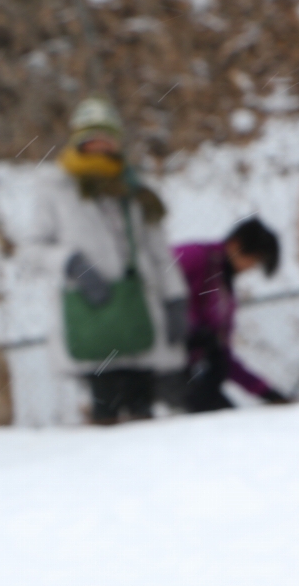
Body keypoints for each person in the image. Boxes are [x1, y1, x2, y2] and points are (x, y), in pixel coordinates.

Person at [32, 96, 187, 424]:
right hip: (93, 313)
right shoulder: (55, 188)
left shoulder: (133, 188)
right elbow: (33, 247)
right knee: (107, 409)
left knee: (143, 409)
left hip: (138, 310)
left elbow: (159, 250)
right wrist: (73, 264)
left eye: (106, 138)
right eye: (92, 138)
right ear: (79, 141)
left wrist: (175, 298)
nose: (100, 145)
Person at [173, 216, 288, 412]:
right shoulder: (196, 258)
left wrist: (265, 392)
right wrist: (191, 332)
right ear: (235, 244)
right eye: (254, 259)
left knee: (228, 420)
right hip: (161, 365)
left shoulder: (224, 289)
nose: (251, 267)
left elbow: (222, 354)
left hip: (193, 372)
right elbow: (155, 292)